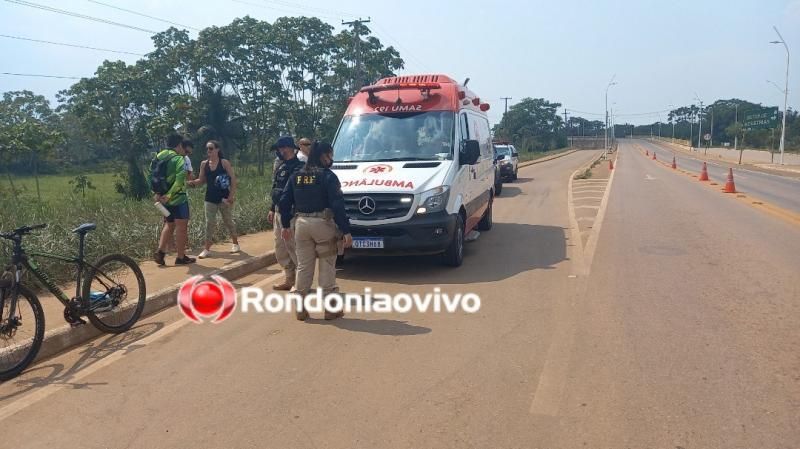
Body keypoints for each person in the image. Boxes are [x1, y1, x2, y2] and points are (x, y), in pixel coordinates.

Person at [279, 141, 353, 321]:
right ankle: (330, 309)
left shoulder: (296, 175)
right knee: (327, 266)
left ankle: (301, 308)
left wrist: (285, 225)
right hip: (322, 224)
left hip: (301, 224)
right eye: (329, 155)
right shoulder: (327, 176)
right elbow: (337, 204)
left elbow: (284, 201)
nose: (331, 159)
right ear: (322, 156)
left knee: (304, 266)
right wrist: (346, 230)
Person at [189, 140, 240, 258]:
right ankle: (207, 249)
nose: (208, 151)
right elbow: (201, 180)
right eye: (207, 149)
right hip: (210, 198)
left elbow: (233, 179)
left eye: (211, 148)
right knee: (209, 223)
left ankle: (235, 243)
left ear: (217, 149)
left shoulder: (224, 163)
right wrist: (190, 183)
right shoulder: (204, 164)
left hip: (224, 198)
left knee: (228, 220)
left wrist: (231, 196)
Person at [153, 133, 195, 265]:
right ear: (178, 145)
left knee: (169, 224)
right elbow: (179, 181)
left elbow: (152, 176)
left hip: (161, 198)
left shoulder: (159, 156)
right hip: (178, 198)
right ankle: (181, 257)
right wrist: (170, 195)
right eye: (183, 146)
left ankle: (160, 253)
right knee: (181, 226)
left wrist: (158, 193)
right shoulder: (179, 159)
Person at [269, 136, 305, 290]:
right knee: (280, 248)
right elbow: (275, 188)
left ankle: (301, 282)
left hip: (291, 214)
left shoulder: (300, 167)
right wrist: (271, 208)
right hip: (278, 212)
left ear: (291, 148)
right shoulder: (281, 167)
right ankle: (289, 278)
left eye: (283, 148)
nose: (280, 151)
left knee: (294, 247)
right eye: (279, 148)